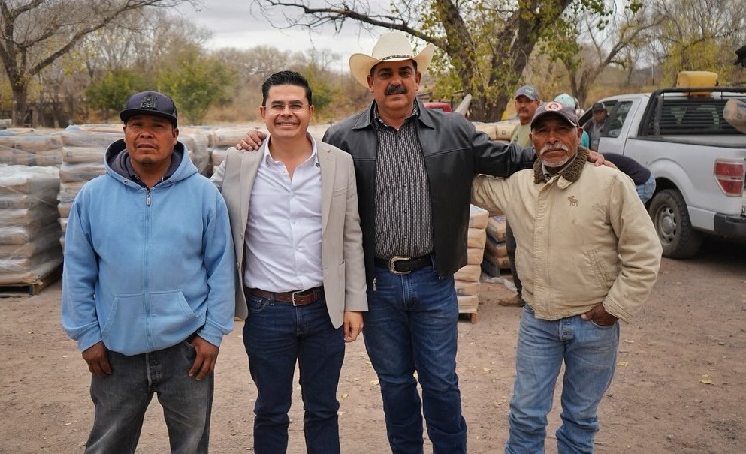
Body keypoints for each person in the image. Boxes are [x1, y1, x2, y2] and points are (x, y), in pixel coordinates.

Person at [235, 33, 607, 453]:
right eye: (385, 74)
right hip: (379, 285)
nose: (395, 81)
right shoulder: (344, 138)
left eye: (404, 72)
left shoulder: (453, 131)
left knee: (441, 382)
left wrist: (574, 155)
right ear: (371, 82)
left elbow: (507, 159)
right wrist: (256, 142)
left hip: (433, 279)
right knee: (395, 384)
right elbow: (298, 155)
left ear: (417, 79)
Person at [471, 101, 662, 454]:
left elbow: (645, 251)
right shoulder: (519, 185)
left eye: (562, 130)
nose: (553, 139)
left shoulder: (610, 182)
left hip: (593, 325)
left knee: (579, 420)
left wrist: (614, 307)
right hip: (538, 322)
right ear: (532, 139)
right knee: (525, 416)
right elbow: (468, 184)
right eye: (543, 131)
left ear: (579, 134)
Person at [61, 91, 236, 454]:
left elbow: (220, 268)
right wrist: (87, 336)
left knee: (191, 446)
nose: (146, 133)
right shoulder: (92, 197)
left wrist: (212, 333)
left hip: (187, 350)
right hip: (116, 351)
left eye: (157, 126)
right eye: (136, 125)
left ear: (175, 135)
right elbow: (77, 272)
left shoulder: (204, 195)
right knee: (108, 444)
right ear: (124, 133)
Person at [211, 71, 367, 454]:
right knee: (270, 410)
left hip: (324, 310)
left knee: (323, 409)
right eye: (277, 105)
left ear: (310, 111)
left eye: (295, 105)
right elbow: (201, 204)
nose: (286, 113)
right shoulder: (238, 162)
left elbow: (351, 234)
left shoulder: (338, 163)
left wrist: (354, 303)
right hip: (267, 311)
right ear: (263, 112)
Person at [499, 84, 540, 308]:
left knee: (528, 249)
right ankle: (521, 294)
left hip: (530, 199)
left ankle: (533, 297)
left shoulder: (537, 129)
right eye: (520, 101)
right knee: (513, 247)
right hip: (515, 197)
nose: (523, 105)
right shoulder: (518, 129)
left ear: (537, 104)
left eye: (528, 101)